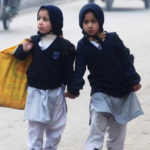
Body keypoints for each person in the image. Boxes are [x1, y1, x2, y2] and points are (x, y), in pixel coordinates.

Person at [66, 3, 143, 150]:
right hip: (100, 91)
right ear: (81, 24)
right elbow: (79, 70)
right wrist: (74, 89)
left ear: (100, 22)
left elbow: (126, 59)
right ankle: (93, 147)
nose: (89, 25)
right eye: (85, 22)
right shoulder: (82, 45)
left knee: (117, 131)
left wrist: (134, 80)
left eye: (93, 21)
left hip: (121, 92)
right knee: (97, 121)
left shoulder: (113, 39)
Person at [14, 5, 75, 150]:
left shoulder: (65, 46)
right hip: (35, 92)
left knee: (56, 129)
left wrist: (73, 88)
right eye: (39, 18)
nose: (40, 22)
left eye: (45, 19)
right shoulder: (33, 41)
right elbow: (17, 56)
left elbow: (68, 71)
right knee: (35, 128)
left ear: (56, 22)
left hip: (56, 94)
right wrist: (23, 49)